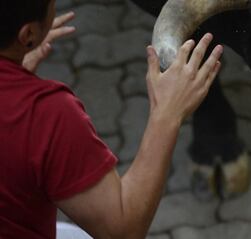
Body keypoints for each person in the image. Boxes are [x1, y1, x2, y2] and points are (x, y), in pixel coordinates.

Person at [0, 0, 223, 238]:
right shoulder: (44, 113)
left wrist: (14, 68)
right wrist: (167, 114)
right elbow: (123, 229)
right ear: (29, 34)